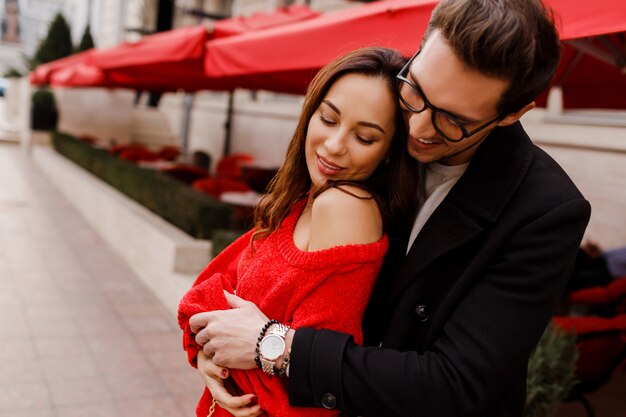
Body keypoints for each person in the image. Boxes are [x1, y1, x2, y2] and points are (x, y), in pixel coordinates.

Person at [189, 0, 592, 416]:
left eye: (452, 121)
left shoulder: (546, 210)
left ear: (512, 115)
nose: (417, 129)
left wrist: (270, 346)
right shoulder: (379, 123)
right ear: (418, 50)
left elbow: (456, 384)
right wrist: (216, 347)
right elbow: (253, 271)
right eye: (416, 89)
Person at [178, 47, 419, 417]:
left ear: (388, 153)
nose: (335, 145)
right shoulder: (301, 200)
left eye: (365, 137)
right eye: (328, 118)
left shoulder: (344, 207)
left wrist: (244, 348)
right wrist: (210, 354)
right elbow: (212, 288)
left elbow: (317, 383)